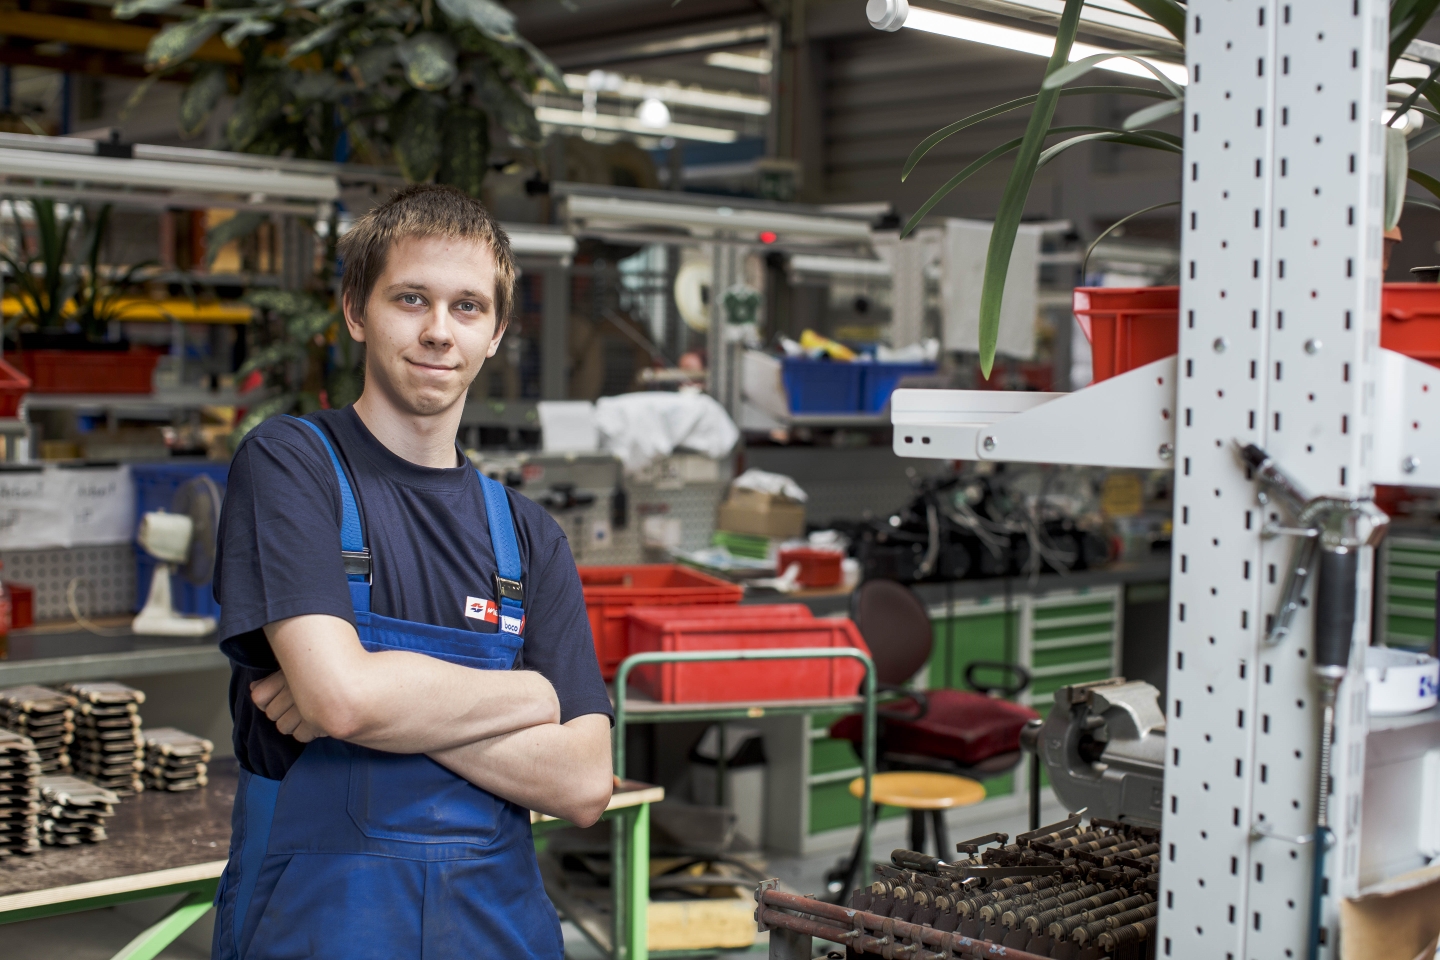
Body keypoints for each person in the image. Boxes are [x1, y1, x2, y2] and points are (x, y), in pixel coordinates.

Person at [210, 184, 614, 959]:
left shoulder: (529, 537)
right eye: (411, 299)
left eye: (467, 307)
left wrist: (369, 695)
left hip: (496, 933)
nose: (438, 331)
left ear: (495, 333)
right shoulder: (294, 467)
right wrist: (527, 697)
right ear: (357, 311)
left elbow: (583, 784)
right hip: (323, 930)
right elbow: (344, 699)